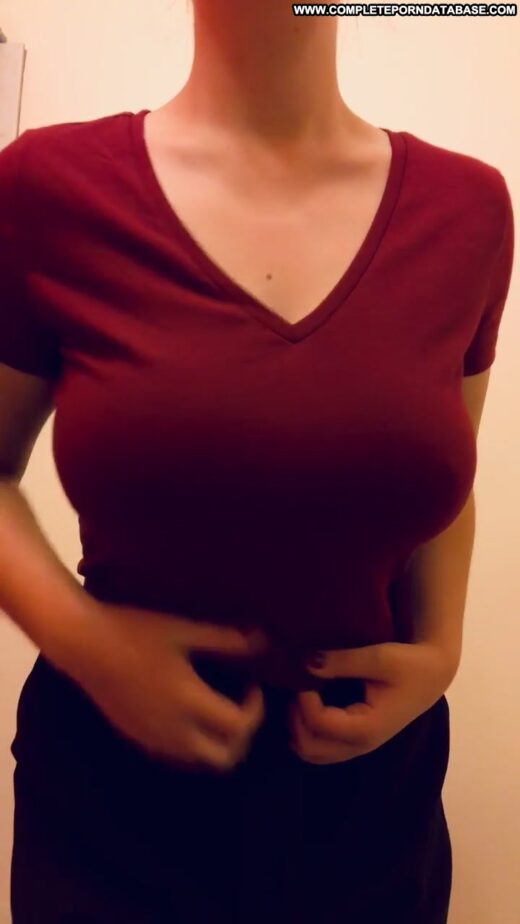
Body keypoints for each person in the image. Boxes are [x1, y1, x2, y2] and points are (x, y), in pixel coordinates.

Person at [0, 1, 514, 922]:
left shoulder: (470, 210)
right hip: (114, 791)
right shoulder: (46, 186)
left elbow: (447, 471)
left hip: (369, 796)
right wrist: (87, 644)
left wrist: (441, 652)